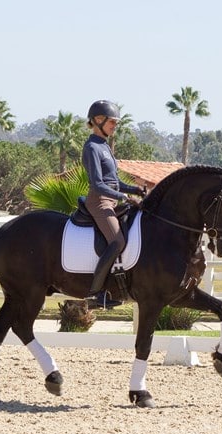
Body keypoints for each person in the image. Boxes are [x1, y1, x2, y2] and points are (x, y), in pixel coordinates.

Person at [82, 100, 145, 309]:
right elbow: (98, 184)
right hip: (99, 202)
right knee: (117, 241)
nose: (114, 126)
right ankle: (95, 293)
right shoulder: (92, 147)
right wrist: (123, 197)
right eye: (112, 122)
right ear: (98, 120)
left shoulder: (105, 146)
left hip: (111, 199)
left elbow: (114, 181)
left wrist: (134, 190)